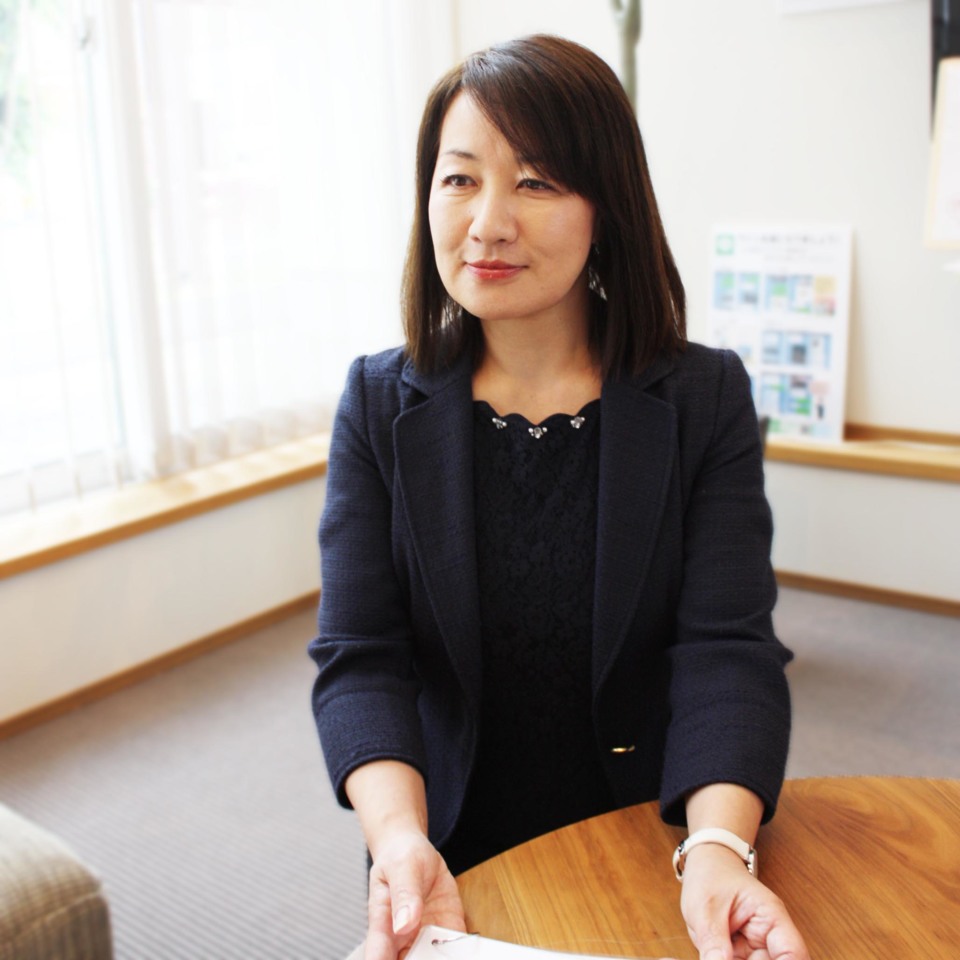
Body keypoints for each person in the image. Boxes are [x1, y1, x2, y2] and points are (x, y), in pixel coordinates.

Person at [309, 34, 810, 960]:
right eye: (460, 179)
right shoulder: (378, 402)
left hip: (656, 836)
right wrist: (398, 840)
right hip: (450, 852)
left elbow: (726, 649)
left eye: (535, 181)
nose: (487, 222)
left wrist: (717, 848)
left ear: (605, 206)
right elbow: (362, 657)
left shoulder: (702, 398)